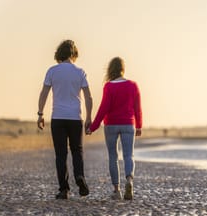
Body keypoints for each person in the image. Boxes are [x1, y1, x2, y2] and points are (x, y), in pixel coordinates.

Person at [37, 40, 93, 200]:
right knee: (77, 150)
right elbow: (88, 96)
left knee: (61, 154)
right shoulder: (80, 72)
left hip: (58, 118)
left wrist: (40, 114)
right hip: (75, 118)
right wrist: (89, 117)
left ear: (59, 54)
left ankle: (64, 189)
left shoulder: (52, 71)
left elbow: (44, 94)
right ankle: (80, 177)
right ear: (74, 54)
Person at [87, 57, 142, 200]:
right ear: (123, 68)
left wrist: (93, 127)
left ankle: (116, 190)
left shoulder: (109, 86)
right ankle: (129, 180)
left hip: (111, 124)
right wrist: (139, 125)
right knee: (128, 155)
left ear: (111, 69)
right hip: (128, 124)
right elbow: (138, 108)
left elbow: (103, 108)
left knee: (113, 157)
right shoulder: (133, 85)